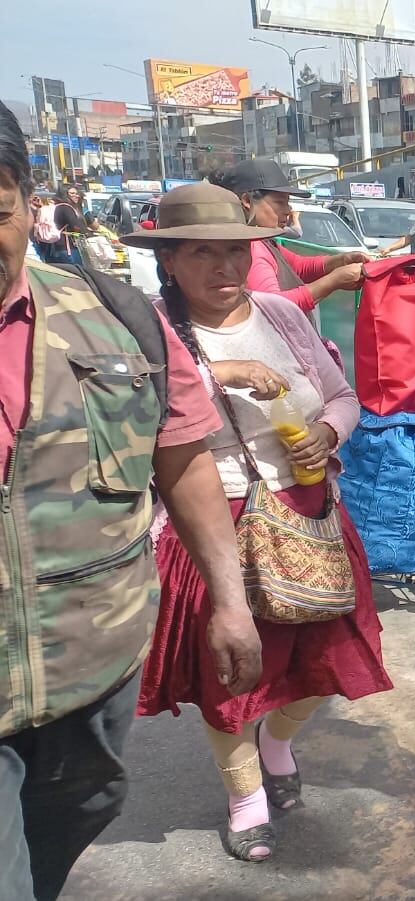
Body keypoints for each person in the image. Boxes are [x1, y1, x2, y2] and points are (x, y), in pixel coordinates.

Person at [0, 105, 262, 900]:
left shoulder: (117, 323)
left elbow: (181, 462)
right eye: (202, 252)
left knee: (71, 821)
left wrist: (231, 600)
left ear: (27, 197)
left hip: (94, 667)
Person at [124, 182, 392, 863]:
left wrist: (329, 434)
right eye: (202, 253)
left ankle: (278, 744)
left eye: (235, 252)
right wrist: (218, 372)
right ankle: (246, 796)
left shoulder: (283, 313)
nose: (224, 268)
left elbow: (341, 394)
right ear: (171, 263)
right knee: (232, 673)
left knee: (332, 657)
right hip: (214, 525)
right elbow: (142, 418)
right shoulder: (153, 331)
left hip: (309, 513)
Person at [216, 159, 366, 314]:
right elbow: (273, 307)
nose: (288, 210)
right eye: (280, 202)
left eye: (287, 203)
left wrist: (340, 261)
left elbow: (298, 266)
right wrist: (334, 281)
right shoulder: (250, 248)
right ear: (247, 201)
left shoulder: (264, 241)